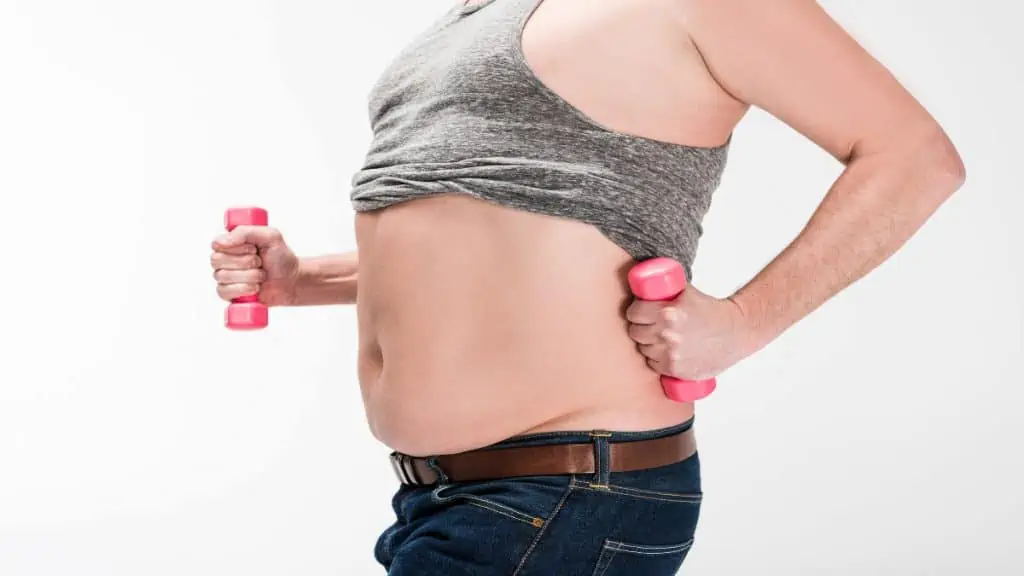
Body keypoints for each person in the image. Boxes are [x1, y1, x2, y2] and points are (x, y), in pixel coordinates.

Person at [209, 0, 965, 573]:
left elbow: (915, 157)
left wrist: (742, 323)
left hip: (565, 491)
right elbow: (489, 236)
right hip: (445, 499)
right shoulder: (477, 15)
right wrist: (306, 279)